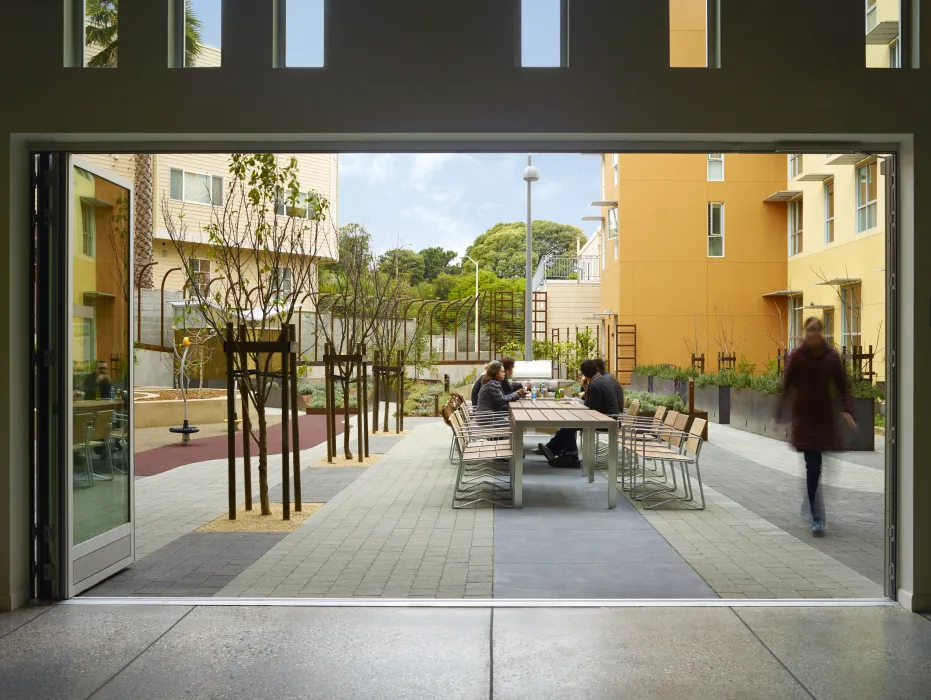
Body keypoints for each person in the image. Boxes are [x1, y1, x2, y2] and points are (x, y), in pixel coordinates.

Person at [775, 316, 856, 538]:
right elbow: (786, 386)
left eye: (816, 329)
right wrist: (778, 415)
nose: (813, 333)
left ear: (822, 332)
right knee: (814, 468)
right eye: (809, 329)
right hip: (805, 423)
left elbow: (843, 387)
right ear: (804, 332)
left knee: (820, 471)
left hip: (824, 423)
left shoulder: (831, 358)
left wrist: (847, 410)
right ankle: (818, 518)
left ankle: (810, 503)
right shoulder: (797, 357)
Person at [537, 359, 619, 465]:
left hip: (605, 420)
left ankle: (568, 455)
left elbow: (592, 409)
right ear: (596, 369)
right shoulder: (604, 381)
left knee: (569, 424)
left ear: (584, 374)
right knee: (569, 423)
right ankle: (562, 452)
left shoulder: (594, 385)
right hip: (610, 417)